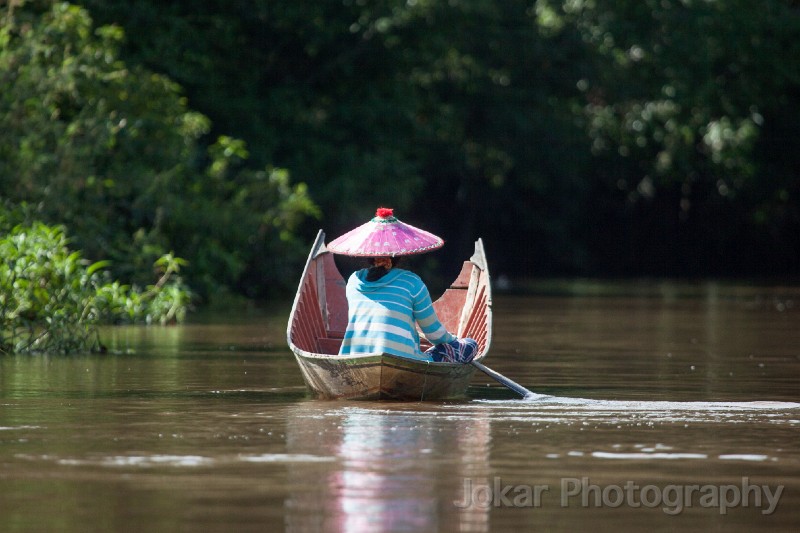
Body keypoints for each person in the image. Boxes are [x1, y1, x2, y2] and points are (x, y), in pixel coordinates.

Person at [326, 208, 477, 363]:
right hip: (404, 361)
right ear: (400, 255)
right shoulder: (412, 283)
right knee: (470, 345)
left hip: (353, 360)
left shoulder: (353, 281)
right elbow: (434, 334)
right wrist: (454, 342)